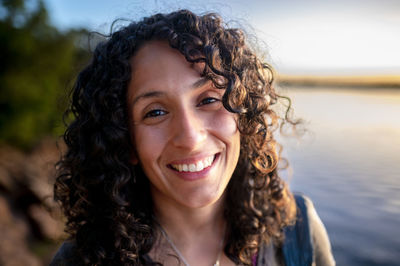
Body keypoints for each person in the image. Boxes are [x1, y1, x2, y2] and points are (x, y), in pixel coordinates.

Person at [51, 9, 335, 266]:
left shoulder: (299, 230)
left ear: (243, 114)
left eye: (208, 99)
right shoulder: (79, 261)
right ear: (125, 140)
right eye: (156, 112)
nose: (190, 138)